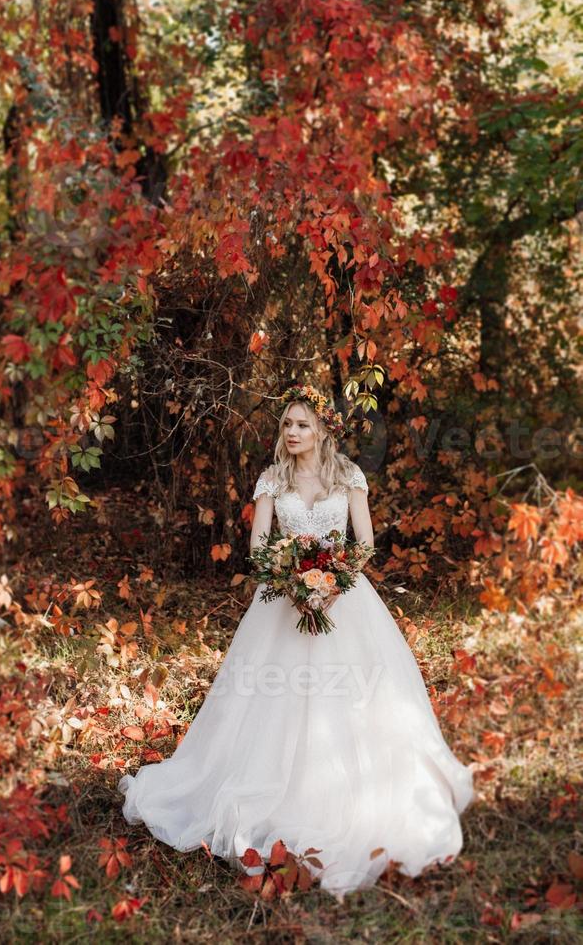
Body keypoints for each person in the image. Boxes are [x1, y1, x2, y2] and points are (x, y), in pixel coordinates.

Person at [119, 384, 475, 902]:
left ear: (323, 430)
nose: (291, 432)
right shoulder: (271, 479)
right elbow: (259, 546)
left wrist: (333, 584)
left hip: (344, 600)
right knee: (268, 698)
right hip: (280, 601)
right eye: (286, 424)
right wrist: (289, 580)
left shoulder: (348, 476)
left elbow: (366, 543)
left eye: (302, 424)